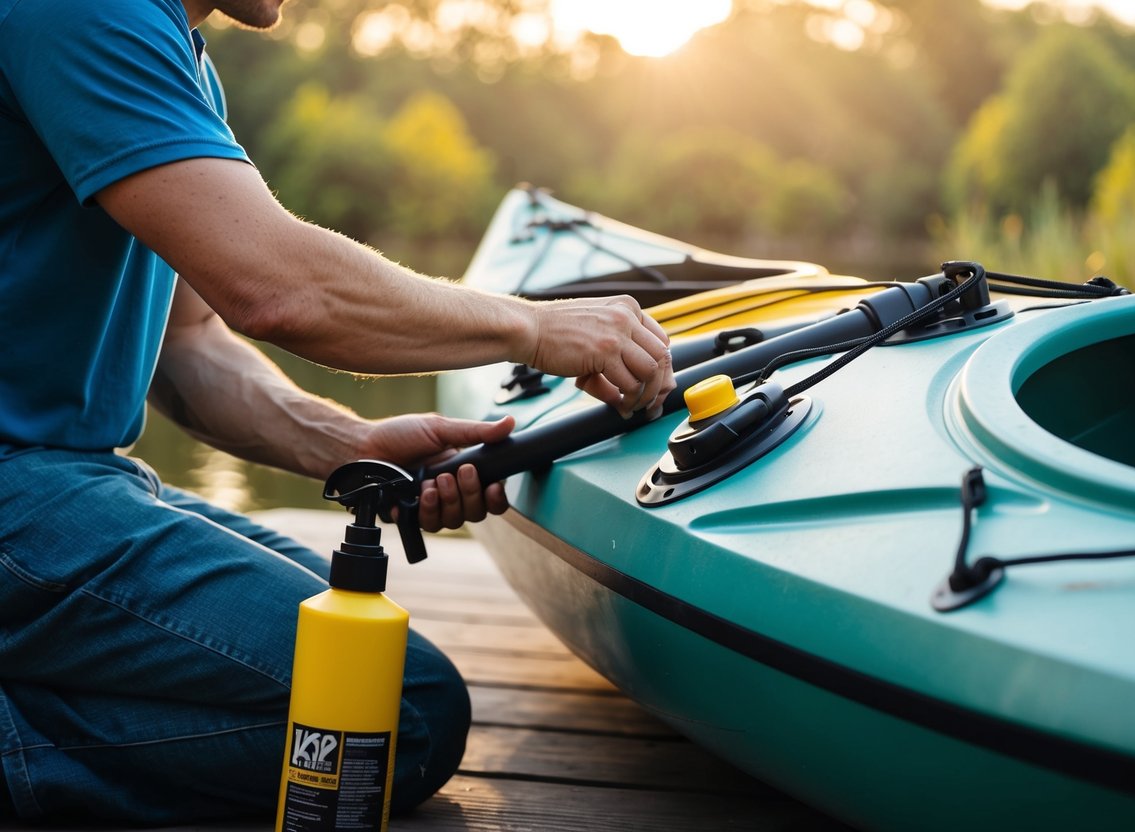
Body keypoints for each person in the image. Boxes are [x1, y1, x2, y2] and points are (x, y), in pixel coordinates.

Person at [0, 0, 675, 823]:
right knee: (389, 715)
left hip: (69, 481)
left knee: (351, 657)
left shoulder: (168, 54)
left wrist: (351, 443)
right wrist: (533, 326)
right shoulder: (87, 12)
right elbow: (280, 289)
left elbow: (191, 346)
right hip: (20, 493)